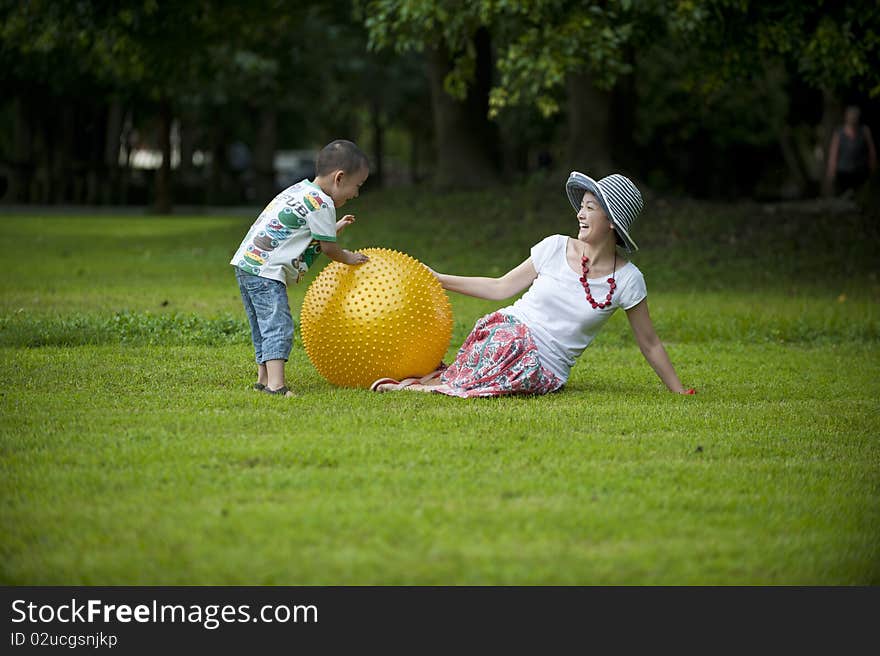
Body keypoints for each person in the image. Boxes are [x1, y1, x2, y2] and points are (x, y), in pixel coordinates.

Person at [372, 171, 694, 397]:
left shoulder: (627, 280)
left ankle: (436, 382)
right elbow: (500, 288)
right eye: (581, 206)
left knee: (514, 372)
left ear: (612, 222)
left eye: (590, 208)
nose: (580, 214)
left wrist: (678, 390)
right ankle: (422, 386)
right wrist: (440, 279)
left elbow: (649, 342)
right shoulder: (554, 246)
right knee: (507, 343)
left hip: (547, 368)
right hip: (511, 331)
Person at [231, 139, 370, 397]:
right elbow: (329, 248)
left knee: (262, 325)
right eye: (357, 186)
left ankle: (263, 379)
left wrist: (334, 227)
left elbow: (304, 233)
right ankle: (276, 386)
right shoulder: (323, 203)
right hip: (266, 272)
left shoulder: (300, 191)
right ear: (339, 178)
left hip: (247, 263)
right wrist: (349, 257)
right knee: (277, 325)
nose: (356, 194)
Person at [824, 105, 877, 196]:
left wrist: (873, 165)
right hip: (843, 171)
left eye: (855, 116)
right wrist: (831, 170)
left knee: (860, 194)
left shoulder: (864, 131)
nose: (853, 118)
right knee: (845, 194)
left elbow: (871, 150)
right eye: (851, 116)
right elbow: (834, 152)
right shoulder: (839, 132)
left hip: (861, 170)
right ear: (846, 117)